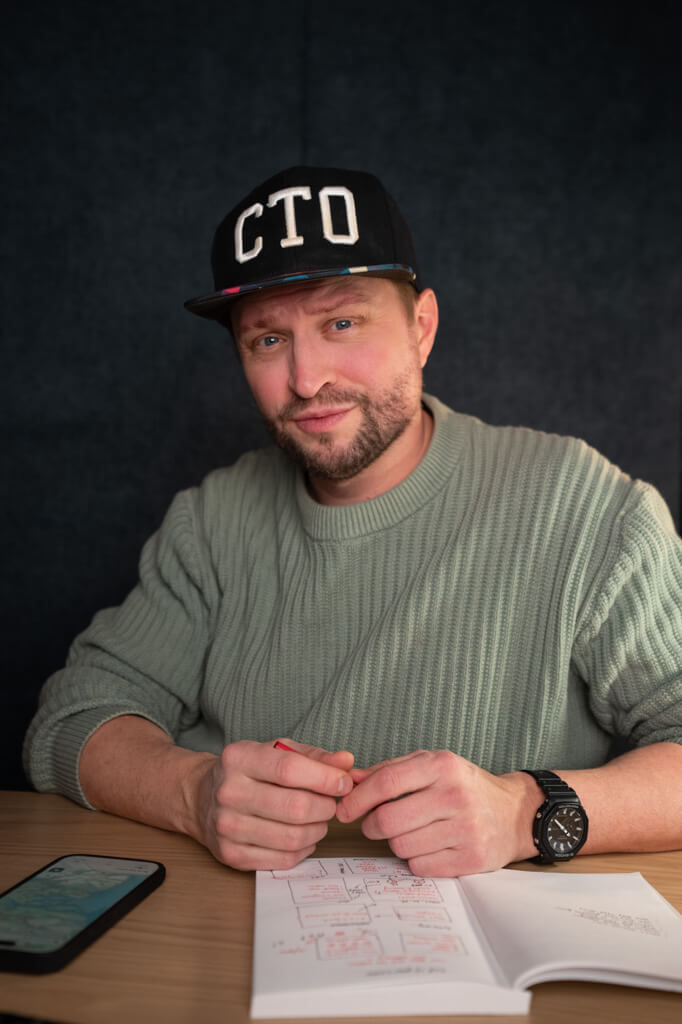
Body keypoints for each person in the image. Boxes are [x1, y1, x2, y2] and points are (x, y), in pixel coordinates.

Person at [24, 166, 682, 875]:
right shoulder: (213, 520)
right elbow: (70, 722)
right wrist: (193, 791)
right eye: (267, 341)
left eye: (342, 323)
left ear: (421, 328)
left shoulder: (584, 509)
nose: (307, 379)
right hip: (228, 941)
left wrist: (526, 812)